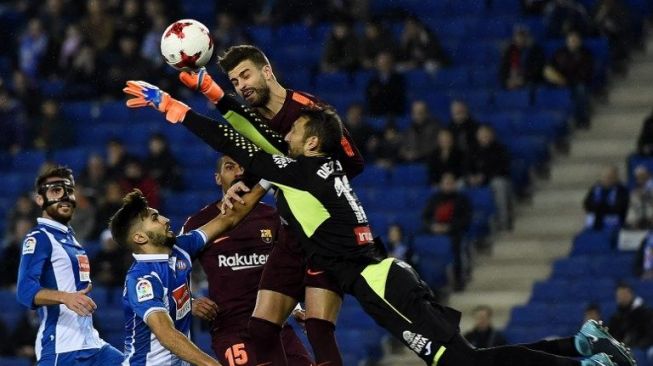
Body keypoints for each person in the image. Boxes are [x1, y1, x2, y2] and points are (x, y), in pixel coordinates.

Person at [123, 80, 635, 366]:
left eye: (296, 131)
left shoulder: (307, 175)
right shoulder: (316, 172)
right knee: (468, 361)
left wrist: (175, 109)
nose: (286, 136)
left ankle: (582, 359)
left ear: (313, 143)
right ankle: (583, 345)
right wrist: (215, 92)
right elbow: (255, 137)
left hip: (382, 287)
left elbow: (244, 149)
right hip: (385, 281)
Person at [177, 44, 365, 365]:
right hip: (292, 231)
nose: (242, 85)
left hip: (323, 228)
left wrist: (312, 180)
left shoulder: (307, 110)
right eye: (235, 81)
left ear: (267, 72)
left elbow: (353, 161)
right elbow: (260, 156)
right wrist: (247, 182)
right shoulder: (254, 120)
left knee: (318, 327)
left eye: (245, 75)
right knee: (264, 328)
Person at [109, 183, 269, 366]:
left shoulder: (180, 248)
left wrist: (267, 179)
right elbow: (165, 334)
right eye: (155, 219)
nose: (165, 219)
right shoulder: (142, 279)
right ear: (140, 238)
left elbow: (229, 218)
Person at [180, 155, 313, 365]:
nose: (238, 172)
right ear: (218, 178)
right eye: (229, 167)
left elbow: (286, 268)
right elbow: (172, 270)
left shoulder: (273, 216)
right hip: (231, 328)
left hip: (274, 324)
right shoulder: (199, 223)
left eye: (243, 167)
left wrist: (295, 309)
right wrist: (190, 302)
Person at [16, 166, 124, 365]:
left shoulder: (72, 239)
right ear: (40, 199)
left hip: (92, 344)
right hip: (62, 349)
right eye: (56, 190)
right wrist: (65, 297)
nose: (65, 196)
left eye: (69, 190)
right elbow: (24, 291)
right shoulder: (40, 237)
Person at [422, 173, 472, 291]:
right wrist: (432, 227)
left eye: (450, 183)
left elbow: (465, 219)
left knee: (457, 247)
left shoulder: (461, 199)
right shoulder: (434, 198)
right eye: (446, 183)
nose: (448, 186)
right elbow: (426, 217)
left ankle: (458, 279)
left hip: (454, 231)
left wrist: (449, 227)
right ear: (441, 184)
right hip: (435, 230)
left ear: (455, 184)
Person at [466, 125, 513, 231]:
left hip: (495, 179)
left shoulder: (500, 149)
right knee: (459, 184)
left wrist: (484, 177)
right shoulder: (472, 150)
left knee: (499, 184)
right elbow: (466, 167)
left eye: (486, 134)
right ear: (477, 136)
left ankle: (503, 222)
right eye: (481, 134)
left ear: (492, 135)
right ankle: (466, 223)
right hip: (476, 179)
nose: (484, 136)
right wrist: (470, 177)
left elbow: (502, 168)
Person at [543, 31, 594, 128]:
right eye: (571, 40)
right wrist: (556, 78)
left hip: (577, 82)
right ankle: (554, 123)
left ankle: (581, 119)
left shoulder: (585, 54)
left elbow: (586, 73)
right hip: (560, 82)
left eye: (575, 40)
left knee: (581, 91)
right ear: (567, 41)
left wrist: (567, 81)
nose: (573, 42)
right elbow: (550, 67)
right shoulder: (560, 52)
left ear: (580, 41)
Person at [608, 282, 653, 348]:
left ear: (631, 294)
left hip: (641, 348)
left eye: (624, 294)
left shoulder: (645, 312)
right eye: (619, 295)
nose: (622, 297)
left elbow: (649, 334)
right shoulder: (616, 317)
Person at [499, 25, 546, 90]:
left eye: (523, 35)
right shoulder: (509, 52)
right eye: (519, 35)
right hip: (511, 84)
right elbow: (503, 70)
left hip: (528, 84)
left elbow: (537, 70)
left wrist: (523, 79)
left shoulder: (535, 51)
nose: (521, 38)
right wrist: (507, 82)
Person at [583, 165, 629, 231]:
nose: (607, 179)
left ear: (616, 177)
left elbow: (620, 207)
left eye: (610, 177)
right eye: (605, 177)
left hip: (613, 222)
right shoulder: (596, 188)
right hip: (595, 219)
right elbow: (587, 204)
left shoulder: (622, 190)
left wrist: (601, 207)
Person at [626, 165, 653, 229]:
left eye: (643, 176)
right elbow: (632, 205)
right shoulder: (634, 192)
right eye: (638, 177)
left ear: (648, 176)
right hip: (639, 215)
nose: (640, 179)